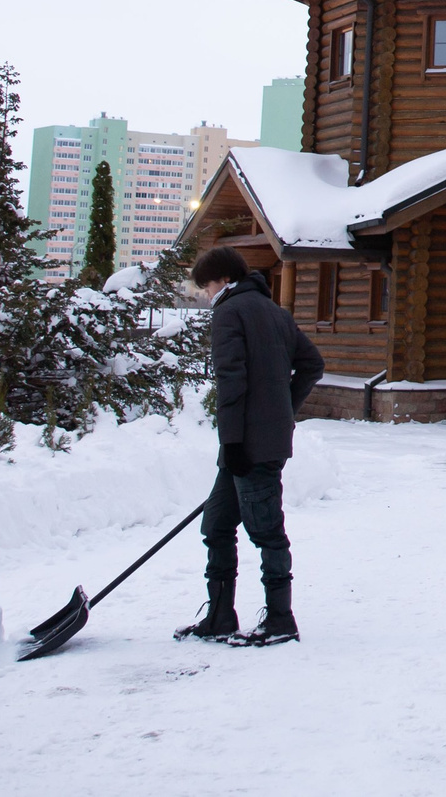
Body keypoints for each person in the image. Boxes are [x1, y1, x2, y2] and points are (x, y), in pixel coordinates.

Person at [177, 245, 324, 647]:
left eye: (205, 287)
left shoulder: (230, 312)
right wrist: (282, 410)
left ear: (223, 280)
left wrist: (238, 438)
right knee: (217, 524)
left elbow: (231, 383)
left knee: (267, 532)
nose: (205, 295)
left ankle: (281, 619)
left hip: (248, 445)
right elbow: (313, 364)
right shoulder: (274, 311)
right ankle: (220, 615)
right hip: (251, 442)